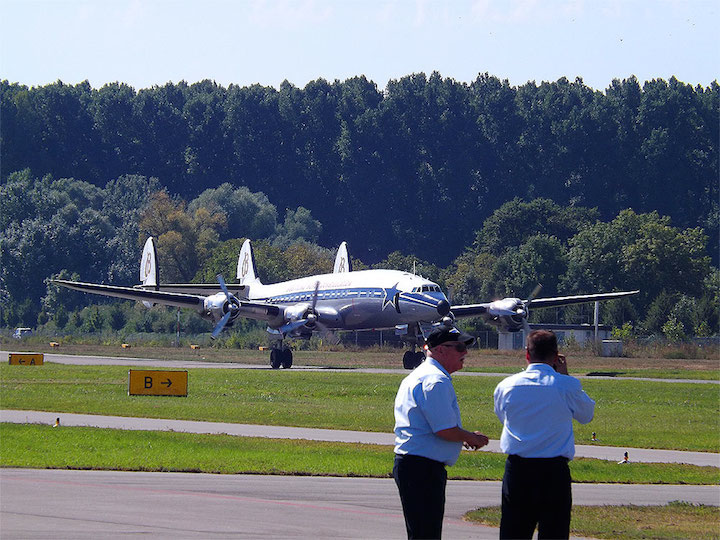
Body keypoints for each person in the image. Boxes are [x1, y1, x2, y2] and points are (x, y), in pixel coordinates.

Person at [493, 330, 595, 540]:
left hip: (518, 470)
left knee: (513, 532)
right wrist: (565, 376)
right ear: (556, 355)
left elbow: (504, 417)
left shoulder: (506, 386)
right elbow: (586, 415)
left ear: (527, 354)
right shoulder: (566, 385)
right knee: (554, 533)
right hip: (553, 472)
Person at [393, 326, 489, 539]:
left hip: (417, 465)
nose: (465, 353)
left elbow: (438, 426)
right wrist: (469, 437)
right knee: (426, 534)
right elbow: (444, 430)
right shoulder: (435, 380)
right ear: (440, 350)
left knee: (422, 532)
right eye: (459, 347)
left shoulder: (424, 375)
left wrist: (463, 435)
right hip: (421, 469)